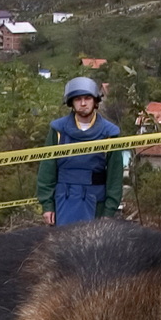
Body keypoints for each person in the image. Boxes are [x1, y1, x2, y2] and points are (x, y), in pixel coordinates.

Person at [36, 76, 124, 226]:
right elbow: (47, 169)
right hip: (63, 203)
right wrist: (47, 205)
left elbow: (115, 176)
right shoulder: (58, 130)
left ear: (95, 100)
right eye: (78, 99)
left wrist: (109, 212)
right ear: (71, 102)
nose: (83, 103)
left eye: (87, 98)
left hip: (96, 204)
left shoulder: (110, 133)